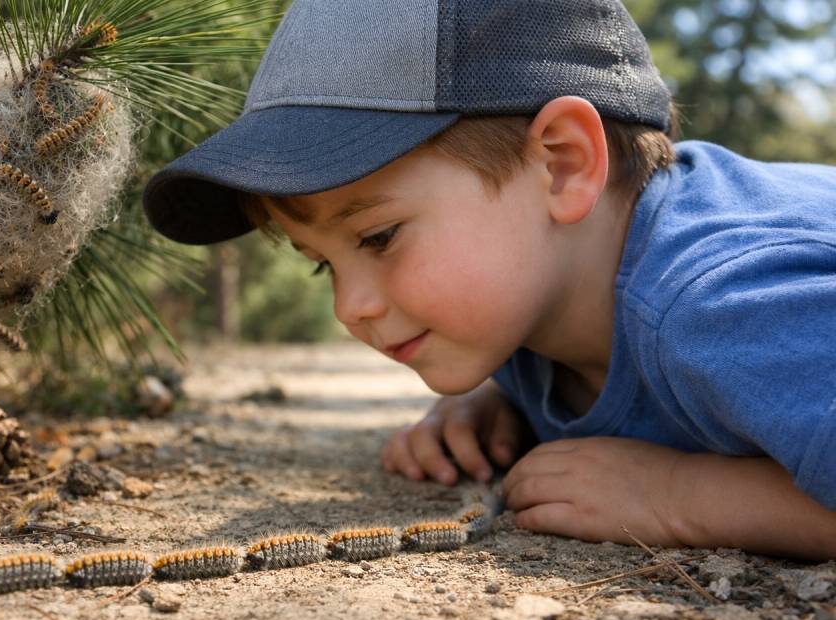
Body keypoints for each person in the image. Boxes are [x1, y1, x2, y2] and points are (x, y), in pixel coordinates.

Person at [142, 0, 836, 559]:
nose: (349, 309)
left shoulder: (720, 303)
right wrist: (504, 399)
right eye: (323, 262)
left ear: (562, 165)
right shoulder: (537, 306)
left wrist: (681, 497)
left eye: (379, 236)